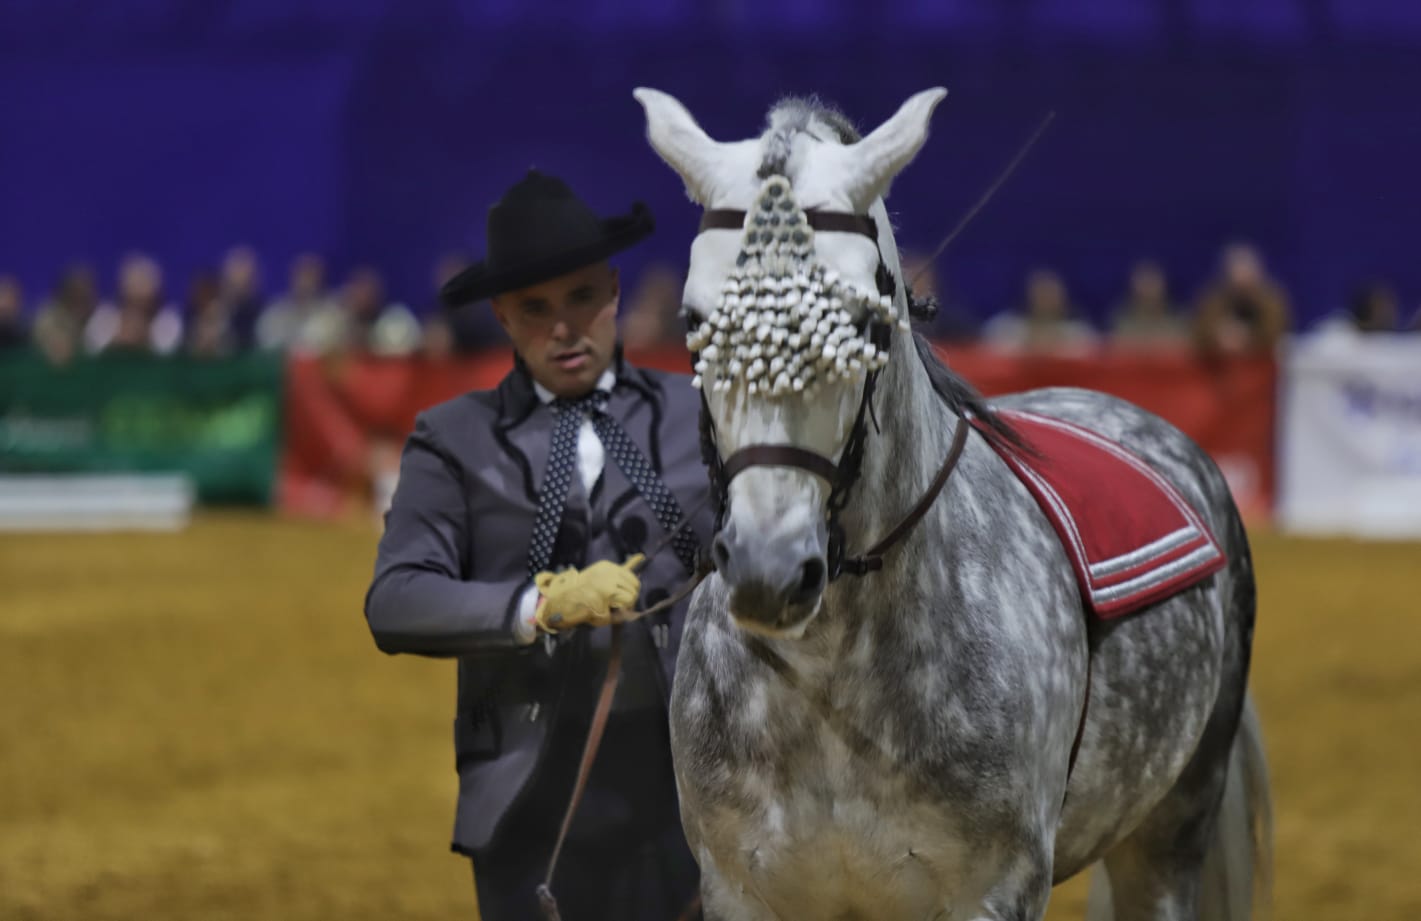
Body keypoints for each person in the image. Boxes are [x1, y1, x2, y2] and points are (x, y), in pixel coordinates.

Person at [363, 169, 711, 921]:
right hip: (528, 803)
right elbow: (395, 599)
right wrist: (538, 606)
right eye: (535, 308)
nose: (564, 327)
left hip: (696, 792)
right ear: (502, 316)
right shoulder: (451, 438)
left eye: (581, 297)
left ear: (614, 289)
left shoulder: (703, 415)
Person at [1192, 242, 1291, 356]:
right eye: (1237, 270)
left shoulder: (1271, 300)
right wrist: (1220, 336)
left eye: (1246, 270)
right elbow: (1200, 330)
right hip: (1220, 360)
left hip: (1260, 360)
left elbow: (1278, 330)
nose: (1242, 278)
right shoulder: (1214, 299)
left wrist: (1247, 337)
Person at [1109, 259, 1188, 348]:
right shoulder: (1120, 323)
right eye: (1144, 283)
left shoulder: (1178, 324)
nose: (1148, 291)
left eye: (1152, 283)